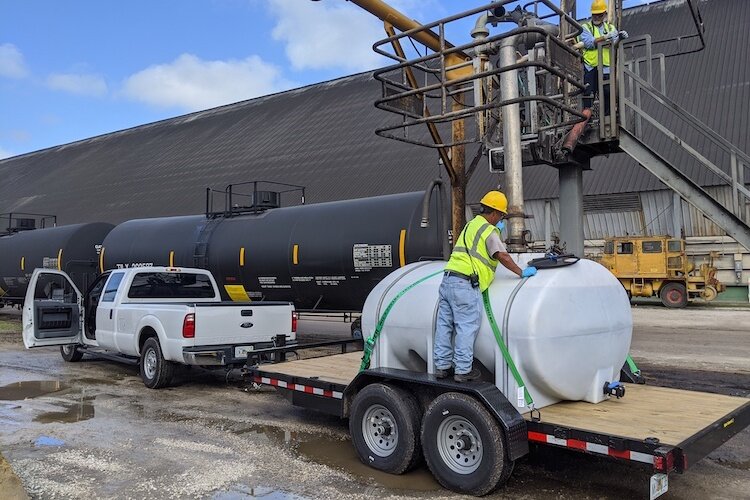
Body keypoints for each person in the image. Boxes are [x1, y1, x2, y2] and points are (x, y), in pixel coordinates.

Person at [433, 191, 537, 383]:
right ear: (495, 213)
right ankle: (463, 370)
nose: (501, 220)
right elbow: (502, 255)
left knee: (444, 326)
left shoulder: (470, 226)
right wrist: (521, 272)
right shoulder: (489, 231)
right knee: (466, 326)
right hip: (464, 284)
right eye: (502, 216)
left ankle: (441, 366)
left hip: (447, 280)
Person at [579, 0, 627, 114]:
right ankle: (587, 118)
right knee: (589, 93)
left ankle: (607, 118)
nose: (596, 17)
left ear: (604, 14)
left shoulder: (610, 28)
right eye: (594, 14)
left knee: (607, 93)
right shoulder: (585, 28)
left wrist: (619, 38)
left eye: (599, 15)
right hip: (590, 66)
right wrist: (605, 38)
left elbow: (614, 46)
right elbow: (589, 43)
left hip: (605, 66)